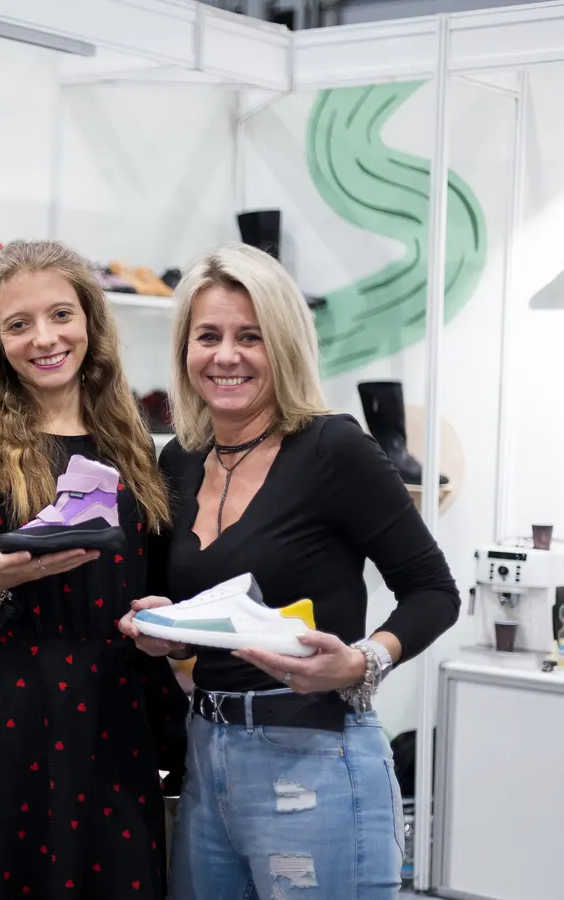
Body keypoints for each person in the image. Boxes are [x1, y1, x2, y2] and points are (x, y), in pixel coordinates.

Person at [119, 243, 460, 899]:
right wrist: (166, 632)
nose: (226, 356)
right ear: (185, 349)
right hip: (206, 752)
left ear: (284, 344)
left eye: (250, 337)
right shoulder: (180, 461)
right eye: (208, 336)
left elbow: (434, 592)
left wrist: (362, 662)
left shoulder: (334, 449)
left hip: (316, 754)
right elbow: (197, 619)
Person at [0, 239, 189, 899]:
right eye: (19, 324)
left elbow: (153, 589)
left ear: (90, 320)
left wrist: (166, 625)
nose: (45, 338)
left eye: (60, 315)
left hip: (113, 717)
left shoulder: (134, 447)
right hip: (1, 719)